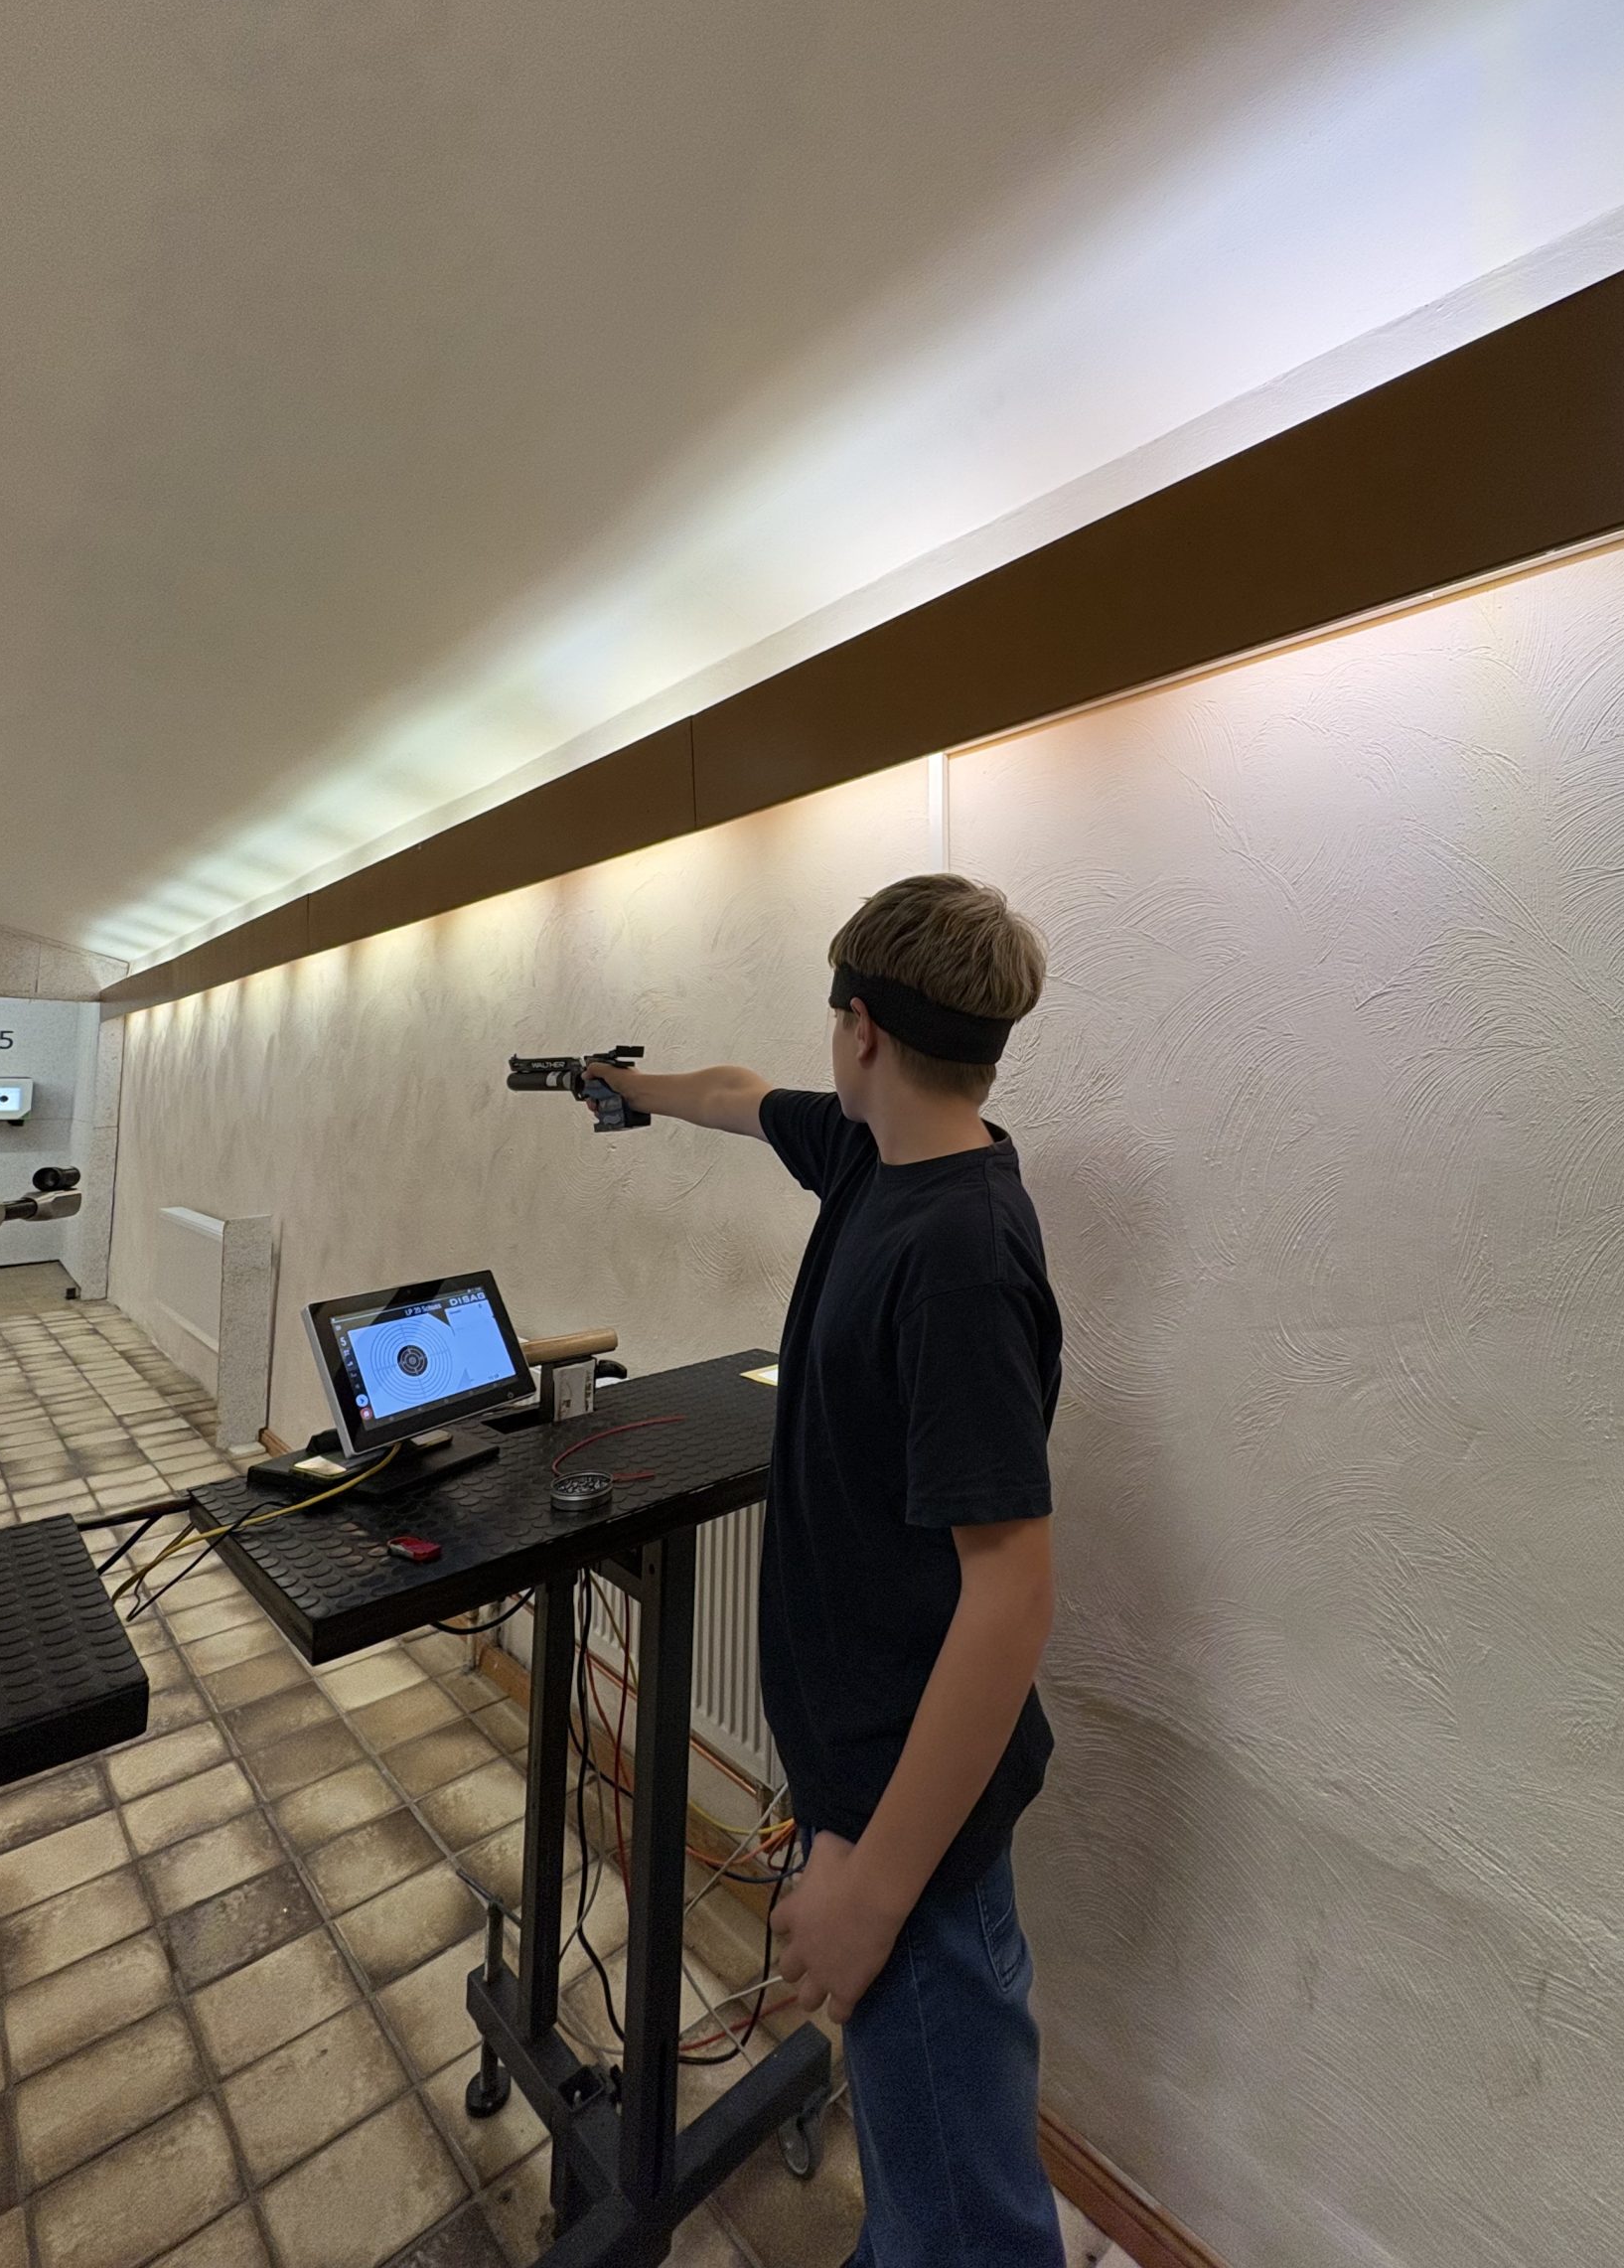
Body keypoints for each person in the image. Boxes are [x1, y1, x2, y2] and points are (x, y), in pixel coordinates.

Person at [586, 872, 1067, 2267]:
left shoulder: (961, 1254)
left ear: (861, 1028)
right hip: (864, 1781)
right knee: (921, 2200)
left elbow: (1012, 1592)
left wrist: (872, 1887)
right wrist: (630, 1087)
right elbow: (741, 1095)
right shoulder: (876, 1153)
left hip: (910, 1831)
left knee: (968, 2232)